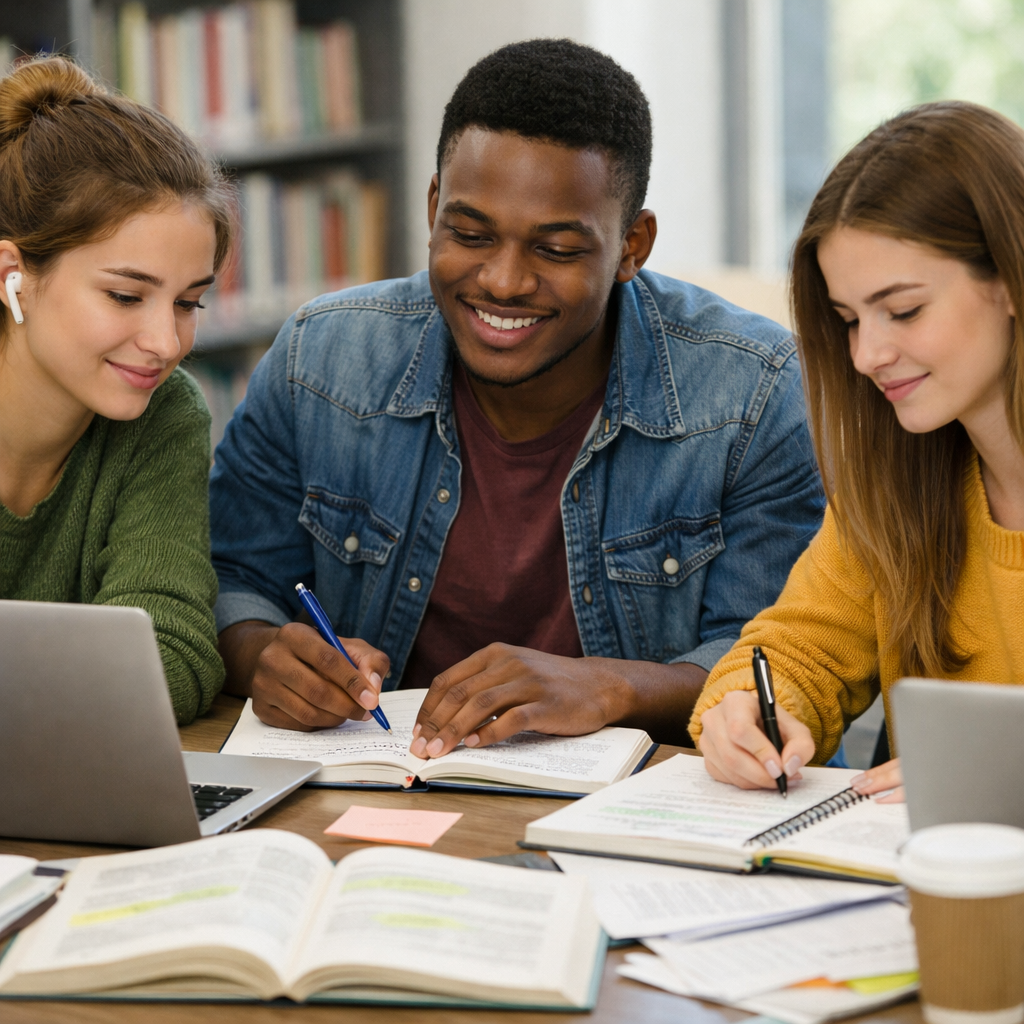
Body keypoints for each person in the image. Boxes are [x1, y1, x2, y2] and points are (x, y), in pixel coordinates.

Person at [210, 39, 823, 751]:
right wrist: (264, 655)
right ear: (434, 206)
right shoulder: (319, 359)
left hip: (634, 818)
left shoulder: (753, 390)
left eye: (555, 250)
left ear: (632, 244)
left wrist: (609, 687)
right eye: (470, 233)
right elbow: (233, 579)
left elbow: (778, 659)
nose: (502, 281)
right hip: (393, 789)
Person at [690, 101, 1024, 801]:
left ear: (1009, 279)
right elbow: (801, 645)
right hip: (919, 893)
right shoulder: (902, 481)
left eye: (903, 310)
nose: (868, 355)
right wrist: (751, 709)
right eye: (848, 319)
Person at [0, 56, 232, 723]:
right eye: (125, 295)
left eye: (189, 302)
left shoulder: (165, 415)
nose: (165, 343)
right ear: (14, 274)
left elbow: (177, 652)